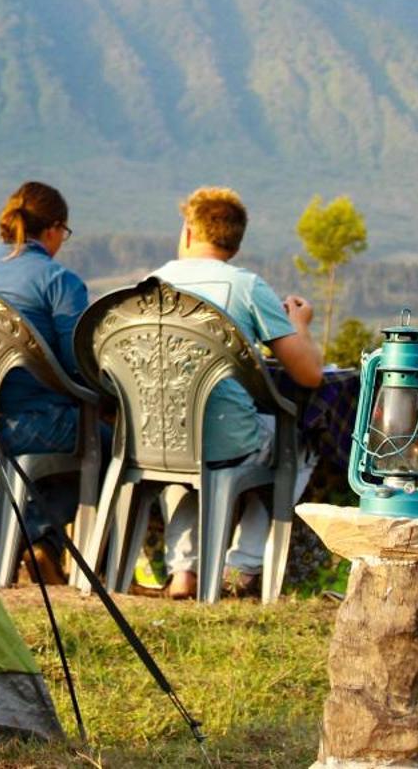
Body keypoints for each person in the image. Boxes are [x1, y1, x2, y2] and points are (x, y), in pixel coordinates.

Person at [149, 186, 322, 600]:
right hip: (226, 438)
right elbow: (310, 374)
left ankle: (183, 571)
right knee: (299, 446)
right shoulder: (247, 288)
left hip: (152, 435)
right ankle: (241, 565)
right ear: (236, 240)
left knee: (187, 461)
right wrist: (300, 323)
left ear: (188, 231)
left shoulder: (151, 284)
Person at [0, 182, 93, 579]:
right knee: (112, 440)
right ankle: (37, 540)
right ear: (54, 229)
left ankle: (32, 543)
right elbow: (78, 367)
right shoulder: (56, 281)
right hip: (28, 426)